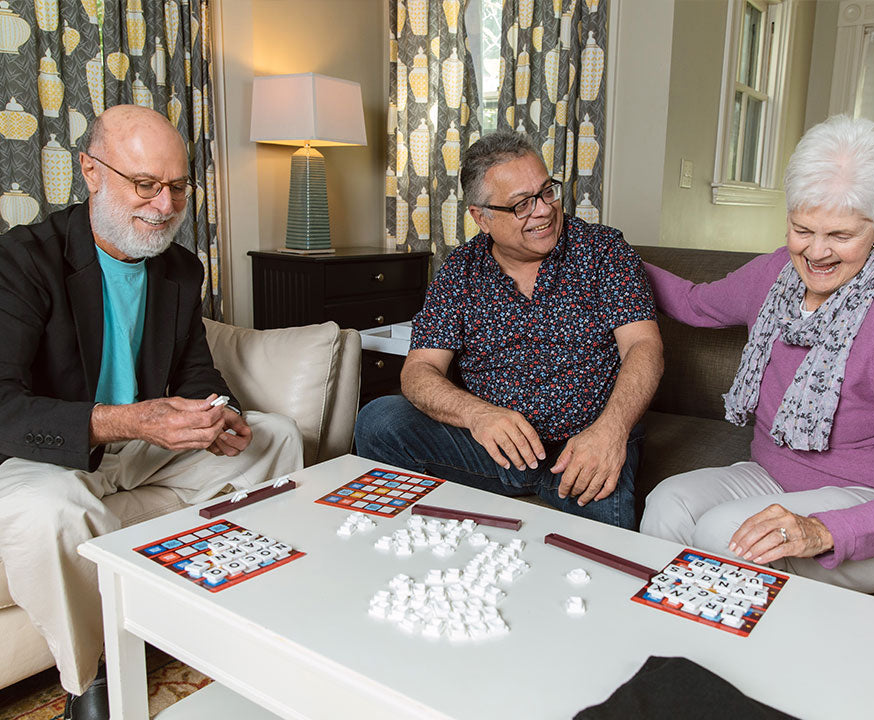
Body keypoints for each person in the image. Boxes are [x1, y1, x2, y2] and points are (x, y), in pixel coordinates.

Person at [0, 106, 303, 720]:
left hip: (133, 455)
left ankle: (233, 607)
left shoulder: (179, 268)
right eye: (145, 185)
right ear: (90, 170)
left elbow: (196, 371)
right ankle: (93, 679)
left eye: (178, 187)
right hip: (38, 458)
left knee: (275, 437)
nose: (165, 206)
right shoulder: (22, 260)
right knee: (53, 509)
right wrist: (132, 420)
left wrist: (223, 415)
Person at [639, 115, 874, 592]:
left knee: (724, 536)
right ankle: (666, 647)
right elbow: (693, 303)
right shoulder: (774, 275)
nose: (817, 254)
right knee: (668, 504)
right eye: (803, 229)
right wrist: (609, 256)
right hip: (779, 477)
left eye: (841, 236)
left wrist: (823, 530)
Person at [355, 129, 663, 530]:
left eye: (547, 191)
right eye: (521, 204)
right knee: (378, 419)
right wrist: (477, 415)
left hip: (583, 446)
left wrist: (611, 431)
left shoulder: (604, 251)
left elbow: (644, 347)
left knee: (599, 555)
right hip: (488, 447)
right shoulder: (460, 271)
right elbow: (418, 372)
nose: (543, 211)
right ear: (481, 217)